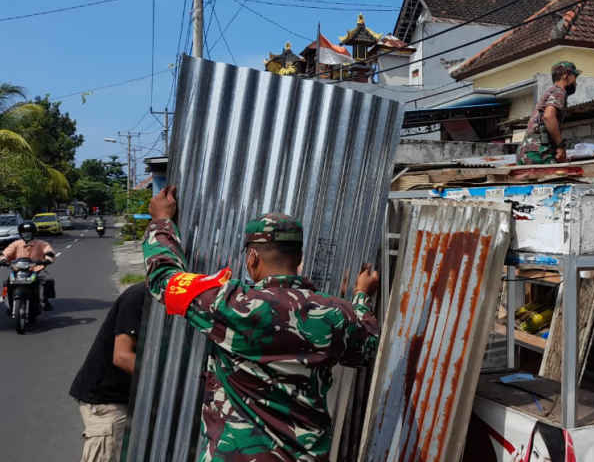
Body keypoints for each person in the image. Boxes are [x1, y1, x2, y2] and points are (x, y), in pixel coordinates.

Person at [143, 186, 380, 461]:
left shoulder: (230, 303)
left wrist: (161, 221)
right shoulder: (335, 313)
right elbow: (367, 348)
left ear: (252, 258)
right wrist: (361, 295)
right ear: (299, 257)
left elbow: (164, 279)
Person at [69, 283, 147, 462]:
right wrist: (163, 382)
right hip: (107, 401)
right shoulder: (138, 297)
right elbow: (122, 356)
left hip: (129, 397)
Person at [517, 61, 581, 165]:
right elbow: (548, 116)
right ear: (565, 75)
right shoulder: (559, 91)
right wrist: (560, 146)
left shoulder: (550, 91)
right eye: (574, 77)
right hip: (538, 152)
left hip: (526, 151)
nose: (575, 82)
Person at [0, 221, 55, 311]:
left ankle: (45, 301)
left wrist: (47, 260)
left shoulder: (41, 243)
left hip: (35, 270)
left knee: (47, 281)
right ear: (21, 233)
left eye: (29, 232)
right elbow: (5, 253)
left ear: (33, 233)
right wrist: (3, 260)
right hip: (17, 270)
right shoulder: (16, 244)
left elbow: (49, 252)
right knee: (7, 283)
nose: (26, 235)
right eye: (24, 233)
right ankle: (9, 303)